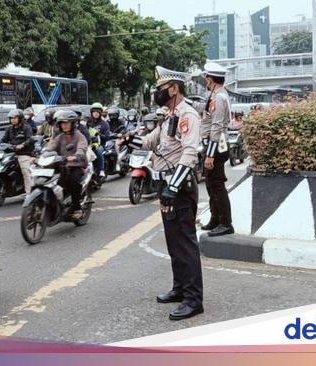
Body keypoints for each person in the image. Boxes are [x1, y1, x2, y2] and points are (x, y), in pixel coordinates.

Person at [122, 65, 203, 321]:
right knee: (173, 243)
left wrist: (173, 186)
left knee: (185, 244)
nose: (157, 92)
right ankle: (180, 288)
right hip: (167, 185)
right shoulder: (170, 115)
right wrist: (129, 139)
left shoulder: (188, 115)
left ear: (174, 88)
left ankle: (193, 300)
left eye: (160, 89)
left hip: (178, 187)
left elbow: (190, 153)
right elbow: (151, 142)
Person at [199, 62, 234, 237]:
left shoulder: (219, 98)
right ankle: (215, 219)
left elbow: (217, 127)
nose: (205, 80)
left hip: (217, 147)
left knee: (217, 185)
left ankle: (226, 223)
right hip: (212, 145)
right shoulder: (214, 95)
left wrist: (210, 155)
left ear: (211, 79)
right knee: (210, 184)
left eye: (206, 77)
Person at [45, 109, 89, 219]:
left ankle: (77, 208)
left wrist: (75, 156)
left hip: (76, 165)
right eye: (62, 123)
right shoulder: (60, 137)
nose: (64, 126)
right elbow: (51, 147)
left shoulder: (79, 136)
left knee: (73, 182)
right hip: (61, 165)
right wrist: (43, 154)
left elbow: (82, 148)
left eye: (66, 123)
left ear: (73, 124)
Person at [0, 109, 35, 194]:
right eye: (11, 118)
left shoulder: (26, 127)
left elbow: (30, 139)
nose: (13, 120)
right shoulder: (9, 129)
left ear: (20, 118)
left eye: (15, 118)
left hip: (24, 154)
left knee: (25, 171)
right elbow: (3, 140)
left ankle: (29, 193)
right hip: (11, 154)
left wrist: (23, 144)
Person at [88, 102, 110, 178]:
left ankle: (101, 170)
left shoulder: (105, 124)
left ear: (100, 113)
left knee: (98, 150)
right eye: (94, 112)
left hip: (100, 144)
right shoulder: (88, 122)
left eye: (97, 112)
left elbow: (107, 137)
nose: (96, 114)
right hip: (88, 144)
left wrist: (98, 134)